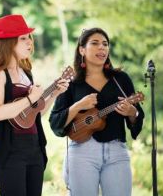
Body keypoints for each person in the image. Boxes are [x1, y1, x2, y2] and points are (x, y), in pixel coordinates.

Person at [49, 27, 145, 196]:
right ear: (81, 49)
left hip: (117, 152)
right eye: (95, 43)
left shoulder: (121, 79)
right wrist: (78, 105)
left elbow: (138, 116)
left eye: (105, 44)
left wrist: (132, 113)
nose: (102, 48)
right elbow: (55, 121)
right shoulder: (71, 84)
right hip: (81, 153)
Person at [0, 15, 69, 196]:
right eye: (23, 38)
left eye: (29, 37)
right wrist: (30, 99)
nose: (30, 42)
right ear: (8, 43)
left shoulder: (26, 73)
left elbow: (34, 114)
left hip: (34, 148)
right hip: (11, 152)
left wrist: (54, 94)